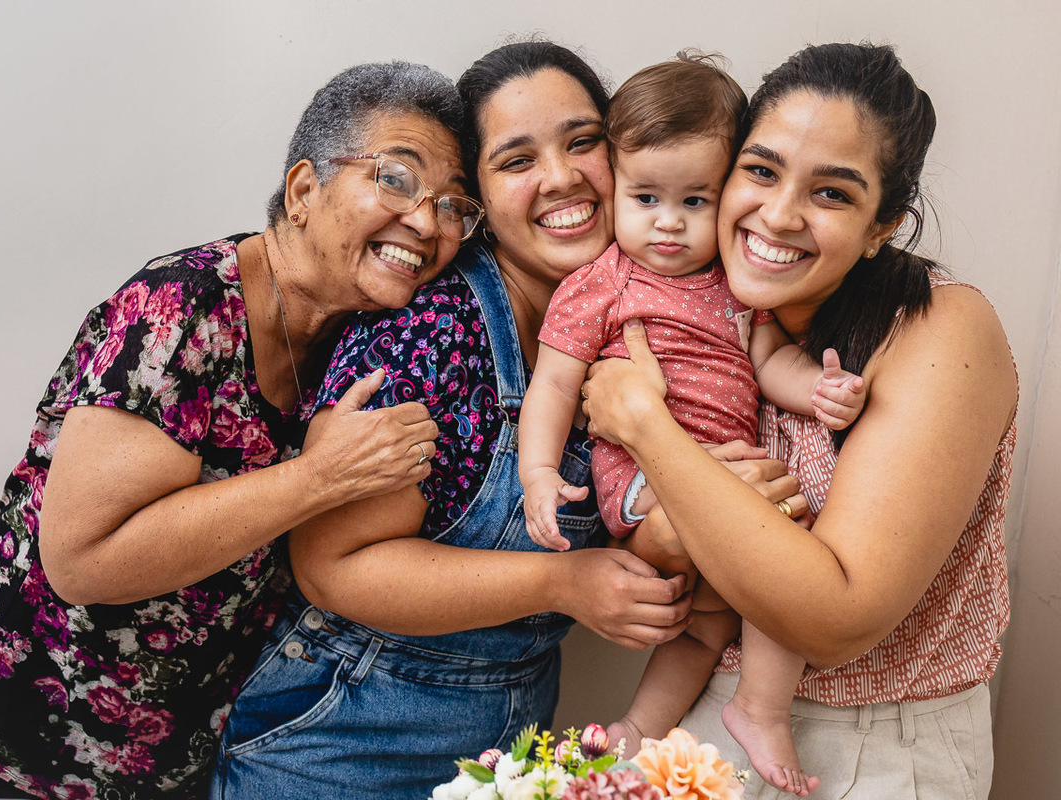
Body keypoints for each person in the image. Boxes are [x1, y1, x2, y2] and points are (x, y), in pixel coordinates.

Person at [211, 41, 804, 800]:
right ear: (481, 198)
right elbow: (333, 566)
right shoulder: (435, 329)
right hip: (344, 741)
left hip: (509, 740)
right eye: (518, 159)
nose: (560, 176)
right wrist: (564, 581)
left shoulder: (653, 304)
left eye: (581, 142)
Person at [0, 61, 484, 800]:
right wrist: (319, 478)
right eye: (398, 179)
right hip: (29, 721)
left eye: (452, 206)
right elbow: (82, 561)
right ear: (304, 191)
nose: (426, 222)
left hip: (176, 748)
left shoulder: (365, 336)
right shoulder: (180, 309)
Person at [581, 42, 1016, 800]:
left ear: (885, 226)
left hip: (872, 749)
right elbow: (668, 549)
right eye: (762, 170)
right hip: (708, 716)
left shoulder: (942, 327)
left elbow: (835, 618)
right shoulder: (712, 311)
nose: (778, 214)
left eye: (833, 193)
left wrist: (645, 425)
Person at [518, 53, 867, 796]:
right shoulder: (603, 281)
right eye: (645, 198)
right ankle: (763, 707)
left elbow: (770, 360)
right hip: (644, 481)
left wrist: (819, 391)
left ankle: (667, 722)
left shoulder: (737, 286)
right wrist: (539, 473)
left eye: (694, 202)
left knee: (722, 615)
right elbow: (553, 381)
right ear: (616, 187)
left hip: (724, 475)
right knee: (775, 534)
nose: (668, 224)